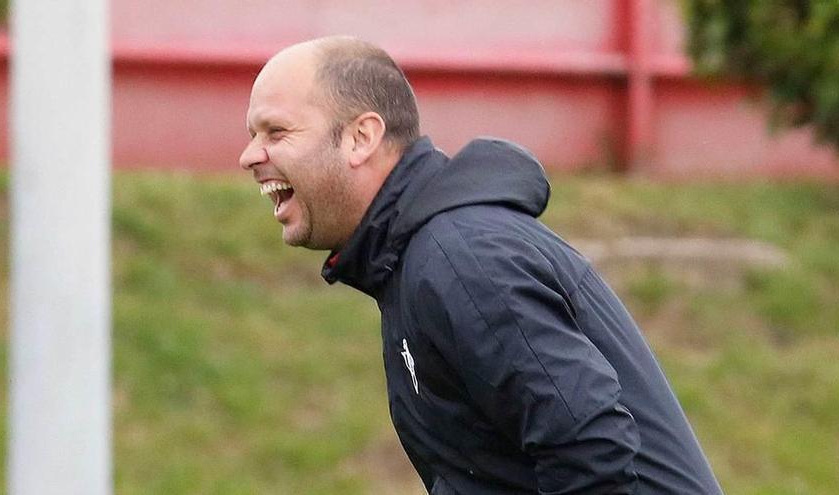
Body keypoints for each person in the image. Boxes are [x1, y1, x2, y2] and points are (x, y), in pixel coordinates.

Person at [239, 36, 723, 495]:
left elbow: (591, 448)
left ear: (361, 138)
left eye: (276, 132)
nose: (249, 156)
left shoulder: (461, 259)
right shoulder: (413, 262)